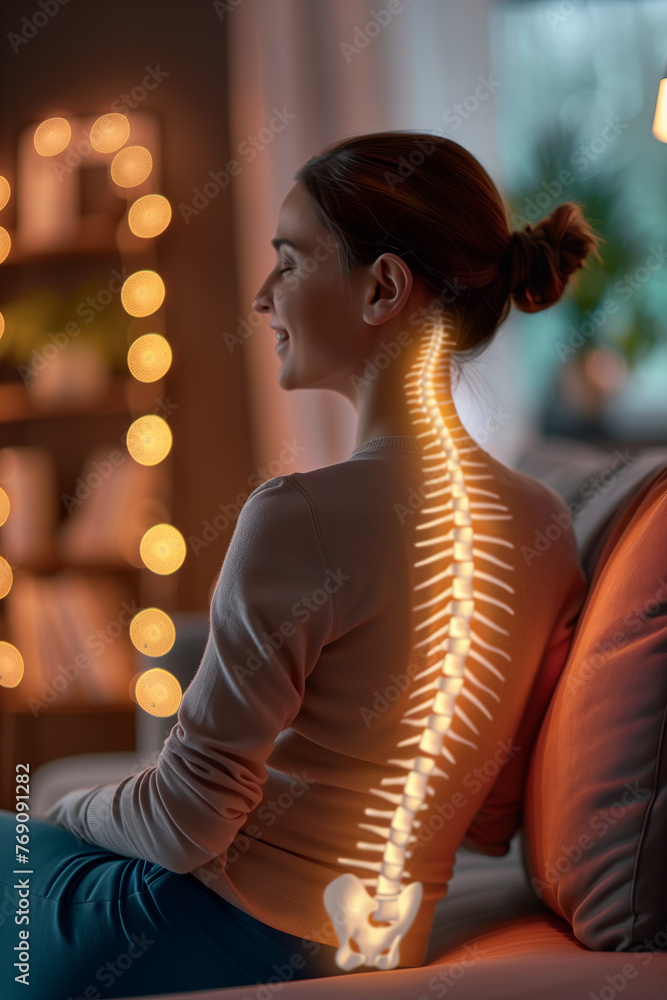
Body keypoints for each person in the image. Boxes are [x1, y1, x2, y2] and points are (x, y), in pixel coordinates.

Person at [0, 130, 598, 997]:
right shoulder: (543, 522)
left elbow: (183, 824)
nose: (260, 296)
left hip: (197, 931)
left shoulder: (297, 516)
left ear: (382, 288)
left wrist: (59, 813)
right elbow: (493, 815)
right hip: (375, 943)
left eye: (287, 261)